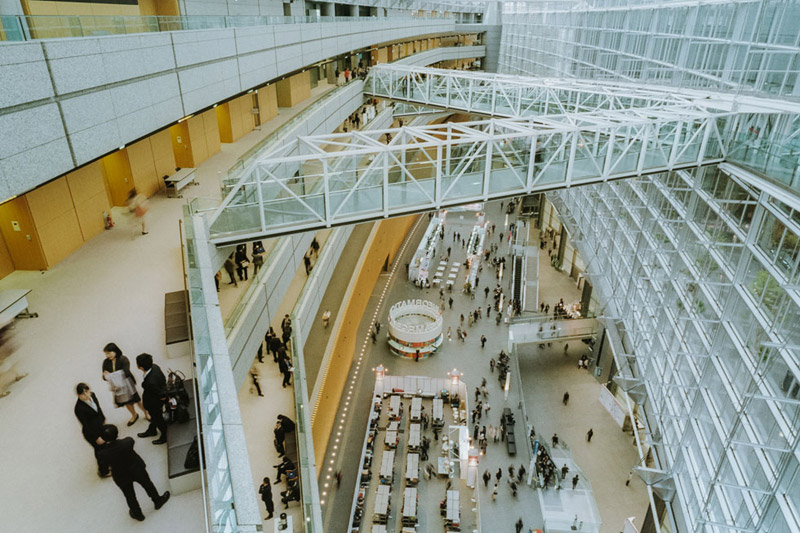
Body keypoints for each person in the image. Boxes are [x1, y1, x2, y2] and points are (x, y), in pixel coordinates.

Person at [97, 424, 170, 521]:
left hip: (121, 475)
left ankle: (138, 513)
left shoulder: (102, 453)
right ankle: (157, 500)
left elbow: (103, 468)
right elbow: (130, 440)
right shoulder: (128, 442)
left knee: (129, 495)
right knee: (147, 484)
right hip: (137, 468)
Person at [102, 343, 147, 426]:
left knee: (137, 400)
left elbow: (125, 372)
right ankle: (134, 414)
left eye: (109, 353)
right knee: (126, 402)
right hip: (117, 386)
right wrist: (107, 376)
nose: (107, 355)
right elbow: (104, 377)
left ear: (115, 351)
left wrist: (110, 375)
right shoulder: (105, 362)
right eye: (106, 353)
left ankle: (146, 412)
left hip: (127, 383)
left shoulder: (123, 359)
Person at [74, 383, 110, 477]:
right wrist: (96, 437)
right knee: (99, 451)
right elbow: (86, 425)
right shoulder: (79, 408)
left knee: (105, 446)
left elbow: (98, 407)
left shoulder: (92, 395)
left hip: (99, 426)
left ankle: (109, 462)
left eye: (87, 391)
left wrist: (103, 419)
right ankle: (103, 471)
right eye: (83, 394)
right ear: (78, 395)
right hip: (91, 433)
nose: (86, 395)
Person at [136, 353, 167, 445]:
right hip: (156, 399)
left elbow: (159, 393)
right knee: (155, 417)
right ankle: (152, 430)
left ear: (140, 367)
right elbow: (163, 379)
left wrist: (162, 397)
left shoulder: (150, 382)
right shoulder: (155, 367)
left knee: (158, 419)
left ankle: (164, 435)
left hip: (153, 403)